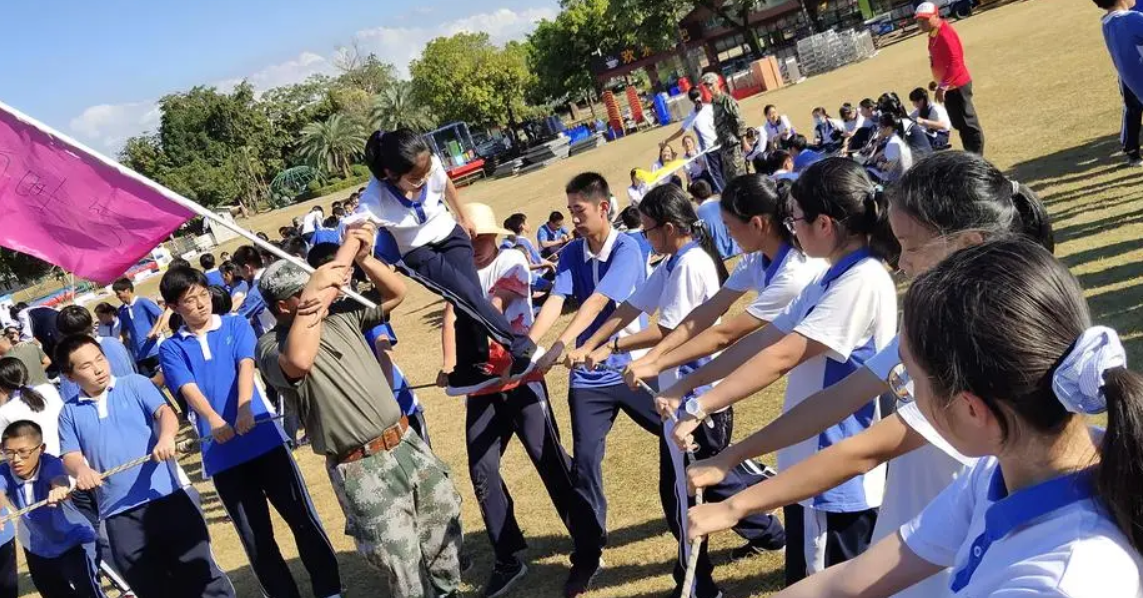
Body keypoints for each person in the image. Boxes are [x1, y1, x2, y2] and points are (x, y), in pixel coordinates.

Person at [684, 151, 1055, 598]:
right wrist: (732, 455)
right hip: (924, 540)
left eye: (912, 246)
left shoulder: (981, 349)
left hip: (964, 562)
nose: (901, 263)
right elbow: (835, 399)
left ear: (969, 245)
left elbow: (869, 448)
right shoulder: (924, 329)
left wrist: (737, 505)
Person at [771, 238, 1143, 597]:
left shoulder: (1063, 580)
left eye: (911, 379)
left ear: (971, 410)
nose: (907, 392)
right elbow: (853, 580)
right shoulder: (999, 474)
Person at [656, 159, 899, 585]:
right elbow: (761, 341)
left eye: (796, 218)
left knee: (822, 585)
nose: (793, 228)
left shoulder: (861, 280)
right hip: (808, 472)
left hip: (834, 481)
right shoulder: (829, 276)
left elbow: (783, 356)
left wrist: (703, 403)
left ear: (825, 224)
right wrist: (686, 386)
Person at [566, 185, 787, 597]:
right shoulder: (670, 263)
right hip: (679, 397)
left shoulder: (690, 265)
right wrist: (591, 346)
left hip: (699, 400)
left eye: (648, 230)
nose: (644, 238)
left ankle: (704, 578)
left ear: (669, 228)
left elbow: (677, 328)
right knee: (692, 489)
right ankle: (761, 539)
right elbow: (630, 308)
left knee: (693, 491)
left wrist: (618, 350)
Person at [622, 175, 827, 558]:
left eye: (731, 227)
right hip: (804, 376)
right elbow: (705, 315)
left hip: (825, 378)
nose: (728, 236)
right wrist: (652, 360)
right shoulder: (756, 261)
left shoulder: (794, 272)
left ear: (758, 224)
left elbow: (726, 335)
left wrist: (667, 372)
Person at [255, 224, 464, 598]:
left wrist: (363, 256)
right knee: (400, 560)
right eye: (302, 291)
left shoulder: (343, 315)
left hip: (406, 443)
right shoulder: (272, 346)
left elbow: (396, 292)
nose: (317, 292)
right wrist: (317, 292)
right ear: (284, 306)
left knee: (443, 528)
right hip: (360, 466)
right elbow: (299, 361)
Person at [527, 173, 677, 597]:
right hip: (589, 382)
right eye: (570, 209)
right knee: (585, 463)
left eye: (580, 210)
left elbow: (598, 303)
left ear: (603, 208)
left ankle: (755, 523)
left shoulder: (629, 248)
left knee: (684, 435)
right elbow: (558, 298)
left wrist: (560, 347)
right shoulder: (573, 251)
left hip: (633, 372)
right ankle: (589, 553)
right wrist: (529, 347)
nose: (573, 217)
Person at [437, 202, 596, 598]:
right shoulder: (458, 271)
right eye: (468, 238)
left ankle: (587, 540)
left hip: (522, 380)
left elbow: (493, 308)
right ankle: (508, 557)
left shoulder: (512, 260)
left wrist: (469, 346)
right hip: (483, 389)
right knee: (481, 469)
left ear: (494, 236)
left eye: (481, 236)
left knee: (550, 462)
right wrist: (449, 363)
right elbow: (449, 318)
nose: (475, 244)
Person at [158, 267, 343, 598]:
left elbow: (246, 364)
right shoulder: (171, 348)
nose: (200, 304)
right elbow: (186, 387)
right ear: (173, 307)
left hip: (263, 440)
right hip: (222, 453)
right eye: (189, 300)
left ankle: (329, 588)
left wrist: (245, 407)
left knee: (301, 517)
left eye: (203, 294)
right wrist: (214, 420)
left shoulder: (234, 323)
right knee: (256, 536)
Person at [352, 129, 539, 390]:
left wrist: (463, 216)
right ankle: (519, 345)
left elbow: (445, 183)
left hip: (450, 234)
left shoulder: (427, 163)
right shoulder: (375, 197)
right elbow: (356, 232)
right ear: (390, 175)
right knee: (464, 295)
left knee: (470, 295)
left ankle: (470, 368)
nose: (426, 178)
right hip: (417, 252)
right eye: (417, 178)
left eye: (427, 170)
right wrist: (342, 263)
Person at [53, 335, 235, 597]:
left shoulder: (135, 384)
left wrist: (166, 437)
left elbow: (165, 413)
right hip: (118, 512)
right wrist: (81, 470)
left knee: (201, 577)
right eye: (85, 366)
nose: (98, 369)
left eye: (100, 359)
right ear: (70, 377)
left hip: (167, 498)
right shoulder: (69, 413)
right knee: (150, 586)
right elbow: (70, 454)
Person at [0, 420, 104, 598]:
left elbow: (58, 478)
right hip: (38, 547)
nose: (16, 460)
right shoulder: (4, 471)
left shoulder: (50, 463)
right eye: (9, 453)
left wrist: (58, 488)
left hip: (74, 541)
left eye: (23, 452)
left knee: (89, 592)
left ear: (41, 449)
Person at [916, 1, 985, 154]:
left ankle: (977, 157)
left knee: (968, 124)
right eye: (919, 21)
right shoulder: (933, 34)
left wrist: (943, 85)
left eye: (924, 20)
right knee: (959, 123)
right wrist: (938, 82)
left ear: (935, 16)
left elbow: (955, 61)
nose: (921, 24)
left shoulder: (945, 33)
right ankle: (971, 154)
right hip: (947, 86)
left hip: (957, 85)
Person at [1096, 0, 1143, 166]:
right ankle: (1132, 150)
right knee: (1132, 108)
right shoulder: (1132, 20)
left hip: (1137, 88)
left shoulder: (1107, 23)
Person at [57, 306, 137, 402]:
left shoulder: (72, 359)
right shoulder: (113, 342)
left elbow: (71, 398)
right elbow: (132, 371)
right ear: (90, 324)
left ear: (64, 335)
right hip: (133, 400)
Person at [661, 88, 724, 191]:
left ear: (691, 100)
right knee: (724, 172)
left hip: (709, 150)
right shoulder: (710, 107)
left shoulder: (692, 115)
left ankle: (726, 196)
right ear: (701, 95)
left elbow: (681, 132)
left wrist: (667, 140)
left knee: (717, 175)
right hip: (721, 144)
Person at [111, 279, 164, 380]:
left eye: (118, 293)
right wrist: (117, 344)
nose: (117, 297)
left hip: (154, 350)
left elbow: (160, 315)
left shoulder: (142, 302)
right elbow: (123, 331)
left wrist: (155, 330)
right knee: (148, 385)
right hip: (139, 355)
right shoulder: (122, 311)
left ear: (127, 290)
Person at [702, 72, 748, 181]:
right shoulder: (713, 102)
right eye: (706, 85)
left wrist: (744, 141)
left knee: (740, 177)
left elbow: (739, 121)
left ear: (717, 83)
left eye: (711, 84)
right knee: (729, 180)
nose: (709, 88)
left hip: (734, 145)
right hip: (724, 146)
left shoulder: (727, 101)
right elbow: (720, 123)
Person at [232, 246, 278, 336]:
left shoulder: (257, 289)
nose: (239, 274)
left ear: (247, 268)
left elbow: (239, 317)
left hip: (273, 336)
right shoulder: (274, 273)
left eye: (238, 269)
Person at [689, 180, 741, 260]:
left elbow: (698, 239)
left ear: (695, 197)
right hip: (736, 247)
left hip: (718, 254)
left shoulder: (697, 215)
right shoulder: (724, 204)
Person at [871, 113, 914, 183]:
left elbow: (889, 167)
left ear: (888, 128)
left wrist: (878, 163)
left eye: (881, 127)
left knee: (867, 170)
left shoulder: (892, 143)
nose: (879, 129)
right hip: (906, 174)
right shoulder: (897, 137)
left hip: (898, 179)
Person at [619, 206, 655, 275]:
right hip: (645, 279)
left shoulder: (619, 239)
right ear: (642, 220)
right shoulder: (646, 237)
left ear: (624, 222)